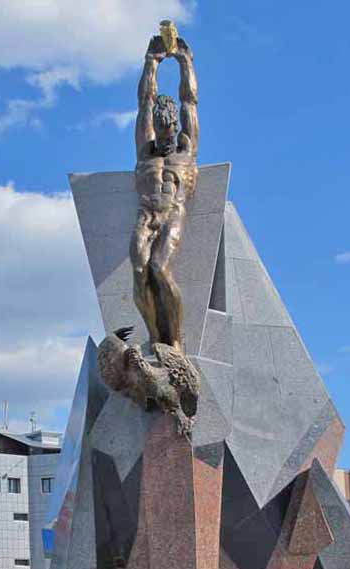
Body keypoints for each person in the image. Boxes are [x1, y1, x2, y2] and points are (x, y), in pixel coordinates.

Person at [130, 31, 199, 355]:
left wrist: (185, 63)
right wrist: (151, 64)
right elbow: (144, 101)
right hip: (147, 213)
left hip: (172, 210)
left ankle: (176, 340)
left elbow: (189, 101)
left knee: (159, 268)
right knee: (140, 271)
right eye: (162, 133)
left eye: (171, 132)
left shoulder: (185, 152)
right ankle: (156, 336)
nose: (167, 138)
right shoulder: (145, 152)